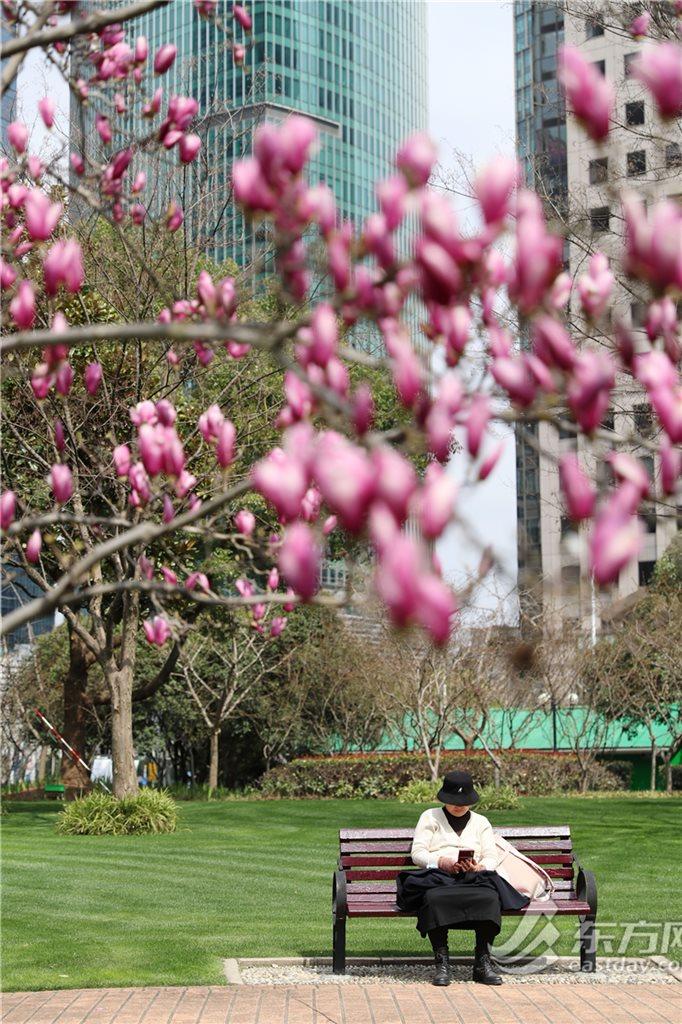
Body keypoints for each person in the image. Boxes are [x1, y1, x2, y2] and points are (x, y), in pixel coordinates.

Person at [396, 769, 531, 986]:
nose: (458, 805)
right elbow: (418, 853)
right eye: (453, 800)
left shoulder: (481, 822)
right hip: (439, 877)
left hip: (473, 878)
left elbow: (491, 856)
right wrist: (442, 862)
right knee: (434, 899)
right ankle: (442, 963)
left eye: (463, 801)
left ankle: (482, 962)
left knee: (489, 898)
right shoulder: (429, 817)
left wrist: (479, 867)